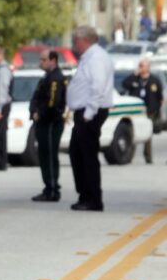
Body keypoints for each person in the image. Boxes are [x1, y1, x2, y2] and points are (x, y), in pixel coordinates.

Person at [66, 25, 113, 212]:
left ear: (84, 40)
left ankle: (93, 198)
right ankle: (85, 194)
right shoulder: (89, 57)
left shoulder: (96, 57)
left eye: (76, 40)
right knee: (77, 153)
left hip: (91, 112)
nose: (74, 44)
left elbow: (98, 86)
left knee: (87, 155)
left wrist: (88, 112)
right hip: (85, 111)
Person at [30, 50, 67, 201]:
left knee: (50, 155)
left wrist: (40, 113)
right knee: (44, 155)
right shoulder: (47, 77)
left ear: (53, 60)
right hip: (43, 122)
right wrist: (33, 111)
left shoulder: (55, 78)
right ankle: (48, 187)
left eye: (44, 59)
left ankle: (52, 189)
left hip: (51, 122)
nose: (41, 62)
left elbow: (53, 102)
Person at [122, 58, 163, 163]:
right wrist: (134, 74)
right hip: (136, 111)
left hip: (149, 111)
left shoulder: (154, 80)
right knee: (133, 133)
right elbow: (125, 84)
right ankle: (129, 156)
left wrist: (157, 110)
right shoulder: (134, 79)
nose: (140, 67)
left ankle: (148, 157)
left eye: (142, 65)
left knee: (147, 134)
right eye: (139, 65)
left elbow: (160, 97)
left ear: (148, 67)